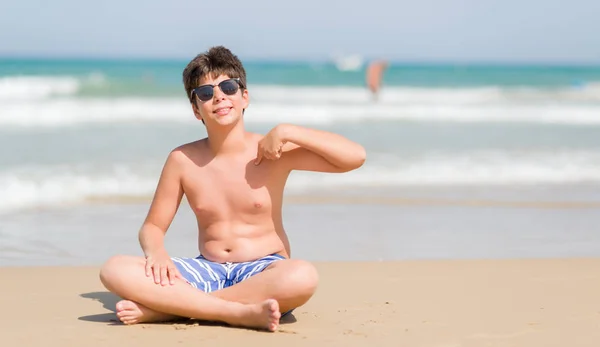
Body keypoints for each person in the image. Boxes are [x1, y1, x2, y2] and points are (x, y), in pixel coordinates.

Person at [98, 46, 366, 332]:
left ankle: (169, 310)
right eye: (205, 93)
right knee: (114, 269)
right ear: (195, 109)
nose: (218, 96)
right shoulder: (182, 160)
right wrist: (157, 252)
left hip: (263, 269)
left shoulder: (273, 150)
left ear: (244, 97)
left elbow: (354, 157)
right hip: (206, 269)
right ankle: (232, 311)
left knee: (302, 276)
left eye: (228, 87)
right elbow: (152, 226)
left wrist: (290, 131)